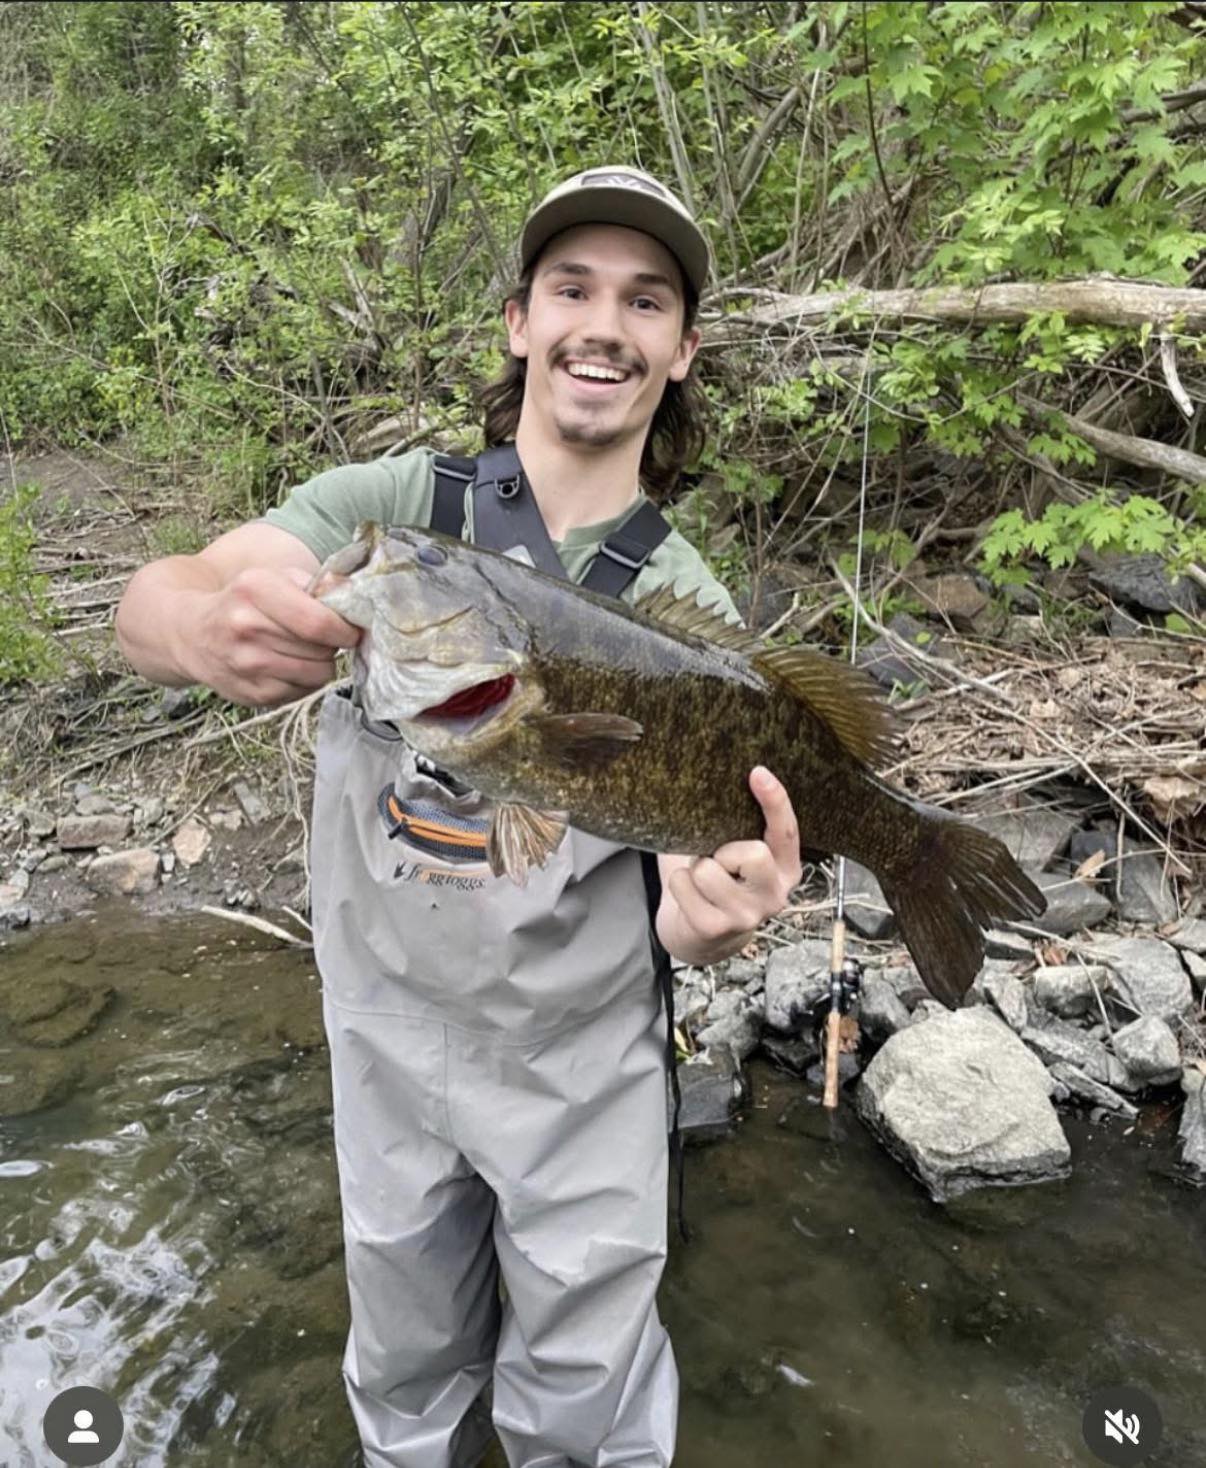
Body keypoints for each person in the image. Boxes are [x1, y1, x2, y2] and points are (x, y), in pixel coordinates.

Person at [115, 165, 803, 1468]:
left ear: (681, 350)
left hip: (578, 1063)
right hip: (382, 1038)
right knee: (405, 1369)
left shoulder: (688, 615)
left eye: (645, 300)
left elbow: (687, 891)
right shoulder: (398, 517)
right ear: (519, 321)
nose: (604, 324)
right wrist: (203, 628)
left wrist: (713, 921)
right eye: (572, 288)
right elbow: (161, 597)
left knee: (585, 1399)